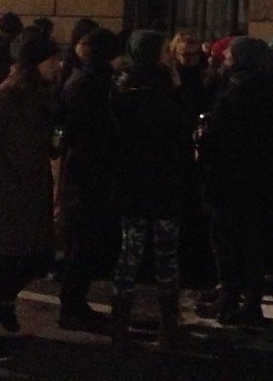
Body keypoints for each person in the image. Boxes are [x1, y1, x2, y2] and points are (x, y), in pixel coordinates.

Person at [0, 34, 62, 363]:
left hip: (33, 191)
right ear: (34, 63)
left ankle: (5, 306)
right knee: (6, 263)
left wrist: (53, 143)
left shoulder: (42, 95)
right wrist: (10, 182)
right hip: (8, 196)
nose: (57, 65)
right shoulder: (6, 96)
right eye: (51, 59)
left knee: (38, 259)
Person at [109, 31, 192, 352]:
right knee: (165, 255)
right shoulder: (161, 87)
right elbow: (180, 125)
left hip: (132, 181)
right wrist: (178, 87)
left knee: (129, 253)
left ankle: (119, 326)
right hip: (162, 181)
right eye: (164, 49)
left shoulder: (122, 84)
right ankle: (168, 325)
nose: (169, 54)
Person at [196, 37, 273, 326]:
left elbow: (223, 135)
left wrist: (205, 137)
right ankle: (246, 300)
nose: (225, 59)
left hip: (232, 177)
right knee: (249, 241)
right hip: (256, 177)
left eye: (230, 55)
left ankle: (233, 298)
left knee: (228, 240)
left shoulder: (238, 91)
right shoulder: (265, 88)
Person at [57, 28, 120, 330]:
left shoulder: (92, 80)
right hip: (87, 171)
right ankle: (71, 305)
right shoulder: (87, 83)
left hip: (88, 169)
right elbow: (79, 129)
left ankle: (74, 302)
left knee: (85, 240)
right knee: (82, 240)